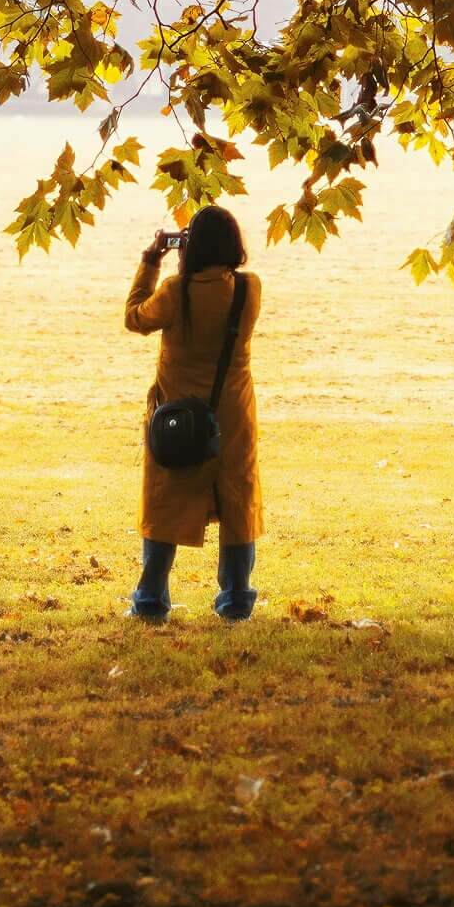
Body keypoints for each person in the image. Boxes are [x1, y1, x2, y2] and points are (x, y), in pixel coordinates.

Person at [121, 204, 263, 621]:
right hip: (233, 417)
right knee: (236, 502)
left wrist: (152, 261)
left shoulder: (173, 291)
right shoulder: (249, 289)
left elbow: (135, 318)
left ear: (191, 247)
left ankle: (150, 601)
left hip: (178, 417)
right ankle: (236, 600)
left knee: (166, 502)